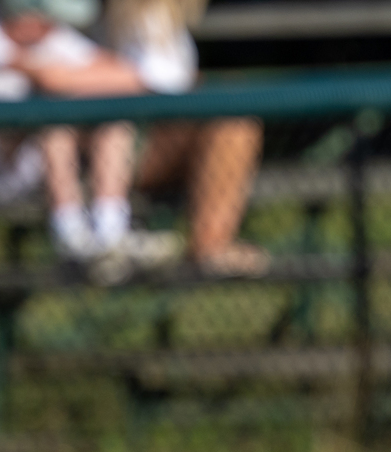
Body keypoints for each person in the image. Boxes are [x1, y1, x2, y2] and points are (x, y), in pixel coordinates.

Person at [0, 0, 148, 264]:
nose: (52, 26)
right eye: (45, 17)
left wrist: (71, 77)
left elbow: (131, 77)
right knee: (50, 114)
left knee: (110, 120)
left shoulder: (53, 37)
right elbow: (48, 79)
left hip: (21, 174)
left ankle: (109, 231)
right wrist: (76, 76)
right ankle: (69, 235)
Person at [103, 0, 268, 277]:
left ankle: (211, 244)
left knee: (234, 115)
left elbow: (169, 82)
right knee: (229, 111)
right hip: (109, 145)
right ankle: (210, 247)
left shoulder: (169, 21)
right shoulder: (106, 16)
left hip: (156, 133)